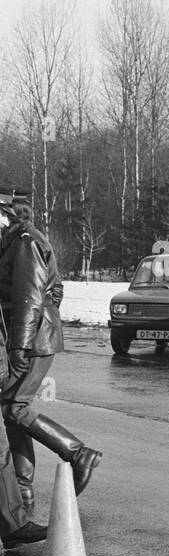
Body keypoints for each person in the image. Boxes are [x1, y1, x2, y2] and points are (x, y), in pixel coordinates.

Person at [0, 186, 101, 510]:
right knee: (11, 410)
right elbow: (53, 288)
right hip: (31, 335)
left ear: (5, 212)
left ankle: (77, 453)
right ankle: (22, 490)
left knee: (16, 408)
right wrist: (48, 313)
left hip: (29, 340)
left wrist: (20, 346)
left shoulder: (25, 241)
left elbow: (30, 297)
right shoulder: (14, 240)